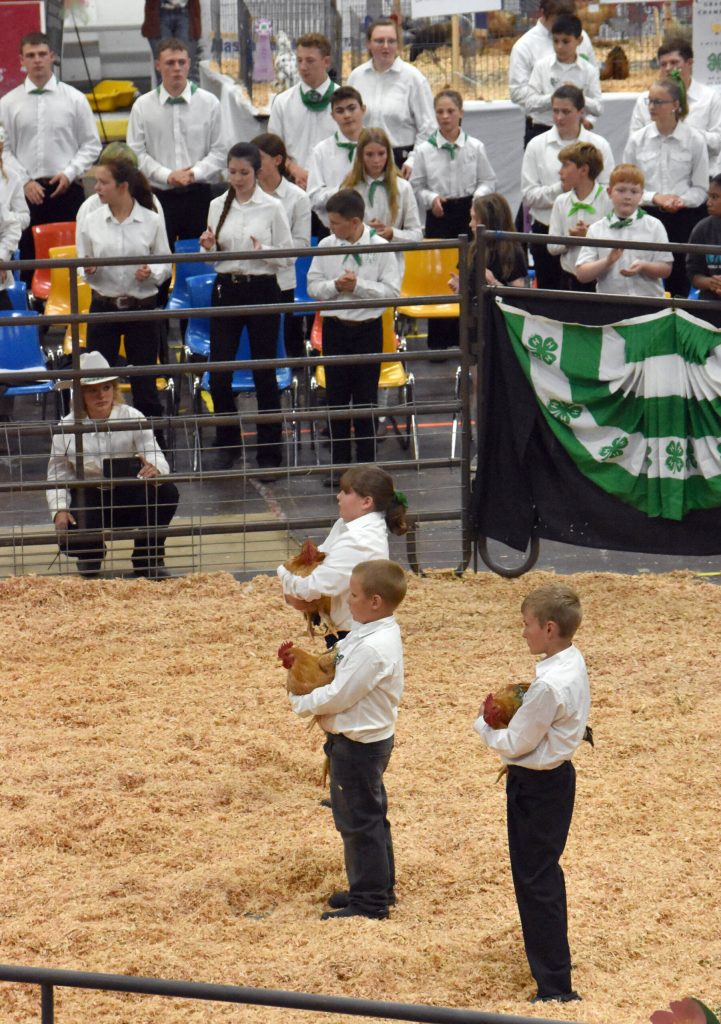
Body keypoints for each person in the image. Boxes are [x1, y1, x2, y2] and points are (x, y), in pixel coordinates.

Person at [473, 583, 590, 1003]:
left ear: (550, 628)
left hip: (537, 787)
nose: (523, 632)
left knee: (536, 879)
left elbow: (516, 743)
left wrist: (483, 725)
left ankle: (556, 987)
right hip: (556, 780)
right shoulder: (570, 662)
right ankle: (549, 967)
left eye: (527, 625)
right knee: (540, 873)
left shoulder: (547, 687)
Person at [289, 557, 407, 921]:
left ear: (375, 602)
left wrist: (302, 702)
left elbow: (340, 694)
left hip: (359, 746)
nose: (347, 600)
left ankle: (369, 903)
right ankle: (377, 889)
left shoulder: (373, 647)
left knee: (358, 821)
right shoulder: (370, 632)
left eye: (353, 595)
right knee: (371, 816)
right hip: (367, 741)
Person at [199, 142, 293, 475]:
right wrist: (208, 248)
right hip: (227, 290)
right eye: (233, 172)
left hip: (263, 289)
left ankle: (270, 451)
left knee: (264, 373)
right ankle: (227, 443)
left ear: (257, 172)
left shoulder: (271, 207)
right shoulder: (216, 206)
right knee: (220, 372)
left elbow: (288, 257)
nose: (237, 179)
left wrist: (262, 250)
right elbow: (212, 261)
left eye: (244, 173)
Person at [47, 352, 179, 580]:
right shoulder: (66, 426)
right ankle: (90, 554)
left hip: (129, 492)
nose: (101, 395)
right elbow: (57, 473)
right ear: (81, 394)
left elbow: (155, 453)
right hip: (90, 498)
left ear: (114, 389)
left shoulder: (133, 416)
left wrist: (155, 468)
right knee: (68, 530)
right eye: (92, 390)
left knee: (166, 491)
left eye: (106, 388)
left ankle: (148, 559)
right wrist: (59, 509)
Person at [306, 189, 401, 477]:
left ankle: (367, 467)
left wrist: (358, 286)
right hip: (335, 328)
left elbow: (392, 292)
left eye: (335, 222)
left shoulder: (379, 248)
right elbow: (312, 286)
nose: (330, 227)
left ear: (355, 221)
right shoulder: (325, 245)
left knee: (365, 400)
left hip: (368, 330)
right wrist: (336, 286)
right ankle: (339, 466)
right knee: (335, 399)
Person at [77, 155, 171, 429]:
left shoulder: (151, 220)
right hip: (103, 308)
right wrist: (89, 270)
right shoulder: (90, 220)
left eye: (103, 182)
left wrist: (151, 272)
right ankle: (98, 445)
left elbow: (164, 262)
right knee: (96, 382)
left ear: (123, 186)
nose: (97, 188)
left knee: (145, 385)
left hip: (141, 308)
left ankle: (154, 449)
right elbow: (82, 261)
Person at [0, 32, 101, 272]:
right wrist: (24, 182)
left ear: (52, 57)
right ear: (21, 60)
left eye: (42, 54)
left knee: (70, 260)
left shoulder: (75, 99)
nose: (37, 60)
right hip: (25, 195)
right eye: (31, 55)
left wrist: (69, 173)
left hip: (66, 190)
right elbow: (3, 150)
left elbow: (91, 144)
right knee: (27, 262)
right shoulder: (7, 103)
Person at [277, 465, 408, 648]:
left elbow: (317, 586)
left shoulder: (359, 540)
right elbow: (322, 557)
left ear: (366, 502)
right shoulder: (346, 525)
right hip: (345, 628)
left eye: (345, 492)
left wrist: (284, 576)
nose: (338, 496)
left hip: (353, 635)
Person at [411, 88, 496, 350]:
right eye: (440, 112)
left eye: (450, 111)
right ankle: (438, 340)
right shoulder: (424, 150)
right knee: (439, 273)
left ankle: (468, 338)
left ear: (461, 113)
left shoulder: (475, 146)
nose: (445, 117)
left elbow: (488, 180)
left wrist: (476, 199)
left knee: (468, 271)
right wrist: (431, 199)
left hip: (467, 212)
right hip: (440, 212)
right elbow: (418, 184)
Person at [127, 37, 226, 247]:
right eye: (170, 63)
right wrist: (168, 175)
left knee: (200, 260)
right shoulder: (142, 106)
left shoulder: (210, 103)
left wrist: (193, 174)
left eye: (182, 62)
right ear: (158, 65)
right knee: (158, 262)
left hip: (199, 195)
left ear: (189, 63)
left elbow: (220, 151)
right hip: (158, 196)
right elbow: (135, 154)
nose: (177, 68)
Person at [521, 85, 614, 290]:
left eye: (566, 111)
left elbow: (609, 191)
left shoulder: (599, 144)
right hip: (547, 231)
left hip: (592, 234)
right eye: (555, 111)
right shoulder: (537, 145)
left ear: (581, 112)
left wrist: (590, 228)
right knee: (551, 298)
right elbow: (528, 196)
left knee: (594, 298)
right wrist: (561, 189)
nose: (559, 117)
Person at [623, 77, 708, 297]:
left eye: (659, 102)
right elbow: (628, 183)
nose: (652, 107)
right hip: (647, 214)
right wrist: (655, 197)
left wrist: (680, 200)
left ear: (676, 105)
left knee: (679, 280)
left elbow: (700, 188)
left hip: (683, 217)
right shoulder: (637, 140)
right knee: (642, 277)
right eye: (649, 101)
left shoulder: (694, 140)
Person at [347, 17, 435, 177]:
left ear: (398, 45)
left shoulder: (414, 79)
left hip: (402, 164)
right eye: (379, 41)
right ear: (369, 44)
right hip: (363, 162)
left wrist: (413, 160)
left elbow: (429, 128)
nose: (386, 46)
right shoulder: (356, 77)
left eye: (391, 41)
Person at [252, 132, 311, 361]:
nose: (255, 165)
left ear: (277, 160)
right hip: (251, 277)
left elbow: (301, 245)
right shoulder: (244, 193)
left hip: (281, 280)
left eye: (260, 158)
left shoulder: (297, 198)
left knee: (283, 345)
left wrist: (266, 251)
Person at [508, 0, 596, 148]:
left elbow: (593, 82)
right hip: (542, 128)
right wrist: (555, 97)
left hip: (579, 128)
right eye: (558, 20)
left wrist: (589, 120)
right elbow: (517, 92)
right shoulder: (524, 46)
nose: (564, 25)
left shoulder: (582, 38)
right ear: (543, 14)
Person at [575, 163, 672, 297]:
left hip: (649, 304)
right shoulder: (596, 229)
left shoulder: (654, 225)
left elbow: (666, 268)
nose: (627, 196)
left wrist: (644, 266)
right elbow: (582, 274)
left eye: (634, 191)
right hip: (610, 304)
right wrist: (608, 261)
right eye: (621, 190)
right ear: (609, 192)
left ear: (641, 195)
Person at [629, 37, 721, 172]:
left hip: (699, 178)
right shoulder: (645, 101)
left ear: (689, 63)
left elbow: (718, 143)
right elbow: (634, 144)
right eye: (663, 64)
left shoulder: (709, 98)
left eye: (674, 62)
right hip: (656, 179)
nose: (668, 69)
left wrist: (686, 131)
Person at [341, 126, 423, 278]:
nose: (376, 161)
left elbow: (417, 235)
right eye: (369, 155)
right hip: (354, 267)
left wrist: (392, 233)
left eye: (381, 154)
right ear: (360, 156)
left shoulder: (403, 187)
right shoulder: (349, 188)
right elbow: (335, 232)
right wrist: (360, 232)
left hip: (391, 268)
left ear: (389, 154)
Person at [267, 33, 337, 193]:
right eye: (299, 60)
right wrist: (294, 169)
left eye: (310, 60)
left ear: (326, 61)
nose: (303, 67)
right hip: (293, 186)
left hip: (333, 188)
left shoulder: (343, 102)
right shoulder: (282, 102)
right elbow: (273, 148)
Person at [547, 141, 613, 290]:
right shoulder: (561, 201)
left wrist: (590, 235)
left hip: (602, 279)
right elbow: (552, 246)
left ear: (583, 170)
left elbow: (617, 241)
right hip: (569, 278)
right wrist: (570, 240)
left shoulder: (608, 199)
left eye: (565, 165)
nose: (560, 171)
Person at [525, 15, 602, 133]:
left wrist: (578, 97)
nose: (559, 47)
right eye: (556, 41)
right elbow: (529, 104)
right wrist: (554, 97)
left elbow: (598, 108)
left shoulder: (589, 70)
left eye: (566, 41)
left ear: (579, 40)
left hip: (576, 132)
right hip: (542, 129)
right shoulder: (541, 66)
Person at [307, 87, 367, 230]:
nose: (347, 115)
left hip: (372, 230)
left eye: (352, 108)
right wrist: (342, 189)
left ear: (363, 109)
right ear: (333, 116)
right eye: (340, 111)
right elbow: (313, 198)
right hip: (333, 232)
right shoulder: (321, 151)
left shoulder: (378, 147)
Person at [142, 0, 201, 81]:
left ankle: (187, 93)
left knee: (187, 68)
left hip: (186, 11)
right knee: (163, 69)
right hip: (158, 12)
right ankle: (165, 93)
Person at [687, 173, 721, 304]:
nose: (708, 202)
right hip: (709, 302)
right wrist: (712, 283)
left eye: (715, 197)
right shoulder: (702, 228)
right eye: (709, 196)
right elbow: (693, 274)